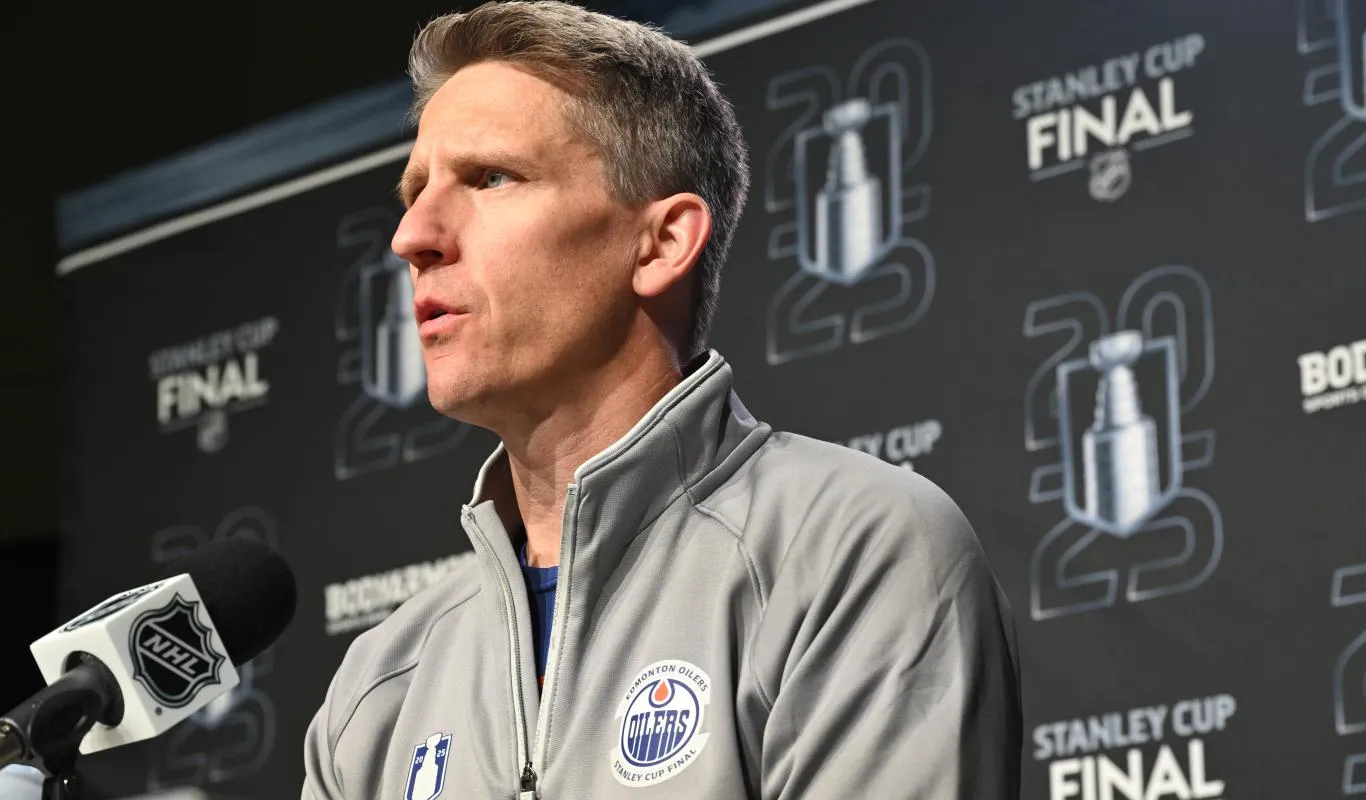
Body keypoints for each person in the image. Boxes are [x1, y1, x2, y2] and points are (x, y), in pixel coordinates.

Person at [301, 2, 1022, 798]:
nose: (413, 237)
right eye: (414, 191)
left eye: (490, 177)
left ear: (663, 242)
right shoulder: (376, 690)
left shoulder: (850, 554)